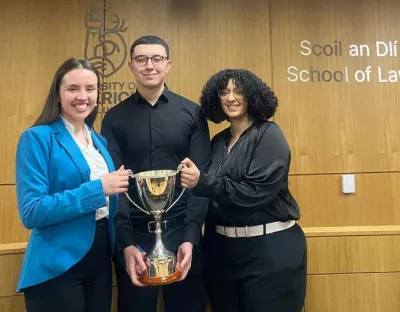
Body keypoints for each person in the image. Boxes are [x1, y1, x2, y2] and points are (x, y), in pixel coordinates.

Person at [180, 69, 307, 312]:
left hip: (269, 251)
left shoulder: (269, 135)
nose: (231, 97)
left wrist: (202, 182)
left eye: (238, 91)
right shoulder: (217, 142)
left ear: (253, 96)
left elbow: (255, 193)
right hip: (222, 252)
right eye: (224, 92)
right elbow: (206, 197)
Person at [101, 35, 211, 312]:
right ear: (131, 65)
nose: (149, 65)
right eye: (141, 59)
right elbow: (116, 185)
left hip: (183, 234)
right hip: (133, 238)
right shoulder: (113, 118)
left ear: (168, 64)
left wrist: (190, 237)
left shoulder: (193, 113)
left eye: (156, 59)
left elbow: (200, 180)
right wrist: (126, 244)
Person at [15, 58, 130, 312]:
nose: (82, 96)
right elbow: (32, 211)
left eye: (90, 89)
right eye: (72, 89)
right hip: (58, 265)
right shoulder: (37, 138)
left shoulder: (98, 141)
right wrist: (99, 189)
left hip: (100, 262)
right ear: (57, 94)